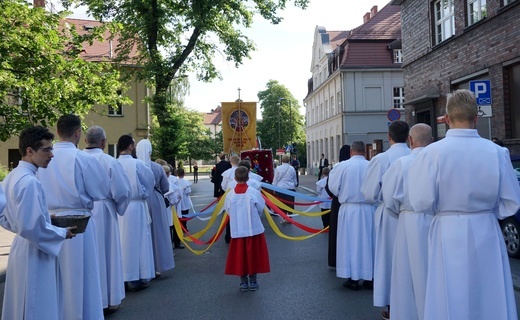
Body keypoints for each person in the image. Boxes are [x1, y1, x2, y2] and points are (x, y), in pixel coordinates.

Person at [408, 89, 520, 320]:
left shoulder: (431, 154)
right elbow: (511, 202)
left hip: (447, 231)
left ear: (446, 119)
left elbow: (420, 201)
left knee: (448, 291)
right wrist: (486, 212)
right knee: (489, 290)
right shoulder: (498, 152)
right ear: (475, 117)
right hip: (486, 229)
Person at [37, 114, 110, 320]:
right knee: (83, 277)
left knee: (56, 278)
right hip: (80, 226)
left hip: (49, 225)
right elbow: (101, 190)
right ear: (78, 132)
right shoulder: (83, 159)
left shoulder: (42, 159)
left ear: (57, 131)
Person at [0, 126, 75, 320]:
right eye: (46, 149)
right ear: (29, 151)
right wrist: (61, 232)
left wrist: (43, 221)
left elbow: (6, 218)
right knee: (37, 303)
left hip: (21, 247)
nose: (51, 154)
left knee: (22, 303)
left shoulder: (11, 177)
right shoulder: (30, 182)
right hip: (35, 252)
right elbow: (31, 227)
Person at [381, 124, 433, 320]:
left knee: (407, 273)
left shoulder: (401, 164)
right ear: (432, 140)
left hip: (408, 222)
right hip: (437, 222)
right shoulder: (437, 160)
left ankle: (407, 313)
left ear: (410, 141)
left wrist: (401, 214)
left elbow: (389, 198)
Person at [361, 120, 410, 319]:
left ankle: (392, 305)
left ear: (389, 137)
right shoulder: (421, 155)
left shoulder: (382, 159)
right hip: (418, 215)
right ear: (408, 137)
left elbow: (369, 193)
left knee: (389, 258)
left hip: (390, 215)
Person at [84, 126, 131, 314]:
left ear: (85, 140)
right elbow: (122, 191)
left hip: (82, 213)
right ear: (103, 142)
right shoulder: (109, 161)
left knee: (87, 257)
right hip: (103, 209)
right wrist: (118, 208)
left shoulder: (77, 158)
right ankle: (108, 298)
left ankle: (87, 301)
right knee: (106, 254)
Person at [328, 141, 374, 291]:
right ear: (364, 152)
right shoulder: (372, 165)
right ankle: (370, 277)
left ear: (351, 152)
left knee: (350, 243)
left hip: (349, 209)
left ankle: (353, 278)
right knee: (369, 243)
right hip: (368, 209)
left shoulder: (342, 166)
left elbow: (333, 187)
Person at [116, 135, 156, 292]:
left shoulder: (113, 163)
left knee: (121, 241)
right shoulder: (137, 164)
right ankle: (137, 276)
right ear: (131, 147)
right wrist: (143, 193)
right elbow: (149, 181)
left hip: (119, 208)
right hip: (136, 206)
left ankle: (122, 277)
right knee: (137, 241)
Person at [224, 166, 270, 292]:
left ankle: (243, 282)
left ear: (234, 178)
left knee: (240, 255)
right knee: (253, 254)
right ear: (248, 178)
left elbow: (227, 210)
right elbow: (260, 208)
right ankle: (253, 280)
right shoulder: (254, 193)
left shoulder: (230, 195)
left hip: (238, 228)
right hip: (253, 228)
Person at [136, 139, 175, 276]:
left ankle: (143, 267)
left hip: (140, 201)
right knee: (158, 232)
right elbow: (166, 187)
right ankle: (159, 264)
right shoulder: (157, 168)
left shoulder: (134, 165)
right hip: (156, 200)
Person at [325, 145, 350, 268]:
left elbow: (329, 187)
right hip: (363, 206)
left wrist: (336, 195)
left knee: (337, 232)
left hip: (339, 203)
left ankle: (336, 259)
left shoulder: (339, 167)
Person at [272, 154, 298, 224]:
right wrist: (295, 184)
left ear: (282, 160)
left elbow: (275, 179)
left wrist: (273, 188)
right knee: (290, 203)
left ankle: (284, 217)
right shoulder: (292, 168)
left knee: (282, 203)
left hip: (280, 188)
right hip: (290, 188)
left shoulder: (278, 168)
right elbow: (294, 179)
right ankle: (289, 217)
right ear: (289, 160)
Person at [161, 165, 182, 246]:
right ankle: (170, 246)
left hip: (159, 207)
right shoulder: (169, 183)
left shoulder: (156, 181)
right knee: (170, 226)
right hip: (168, 207)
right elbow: (174, 198)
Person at [221, 155, 240, 243]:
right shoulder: (240, 171)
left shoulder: (227, 172)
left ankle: (229, 235)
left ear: (230, 162)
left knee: (229, 215)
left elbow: (223, 185)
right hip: (240, 195)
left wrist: (227, 191)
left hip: (230, 195)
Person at [176, 167, 192, 241]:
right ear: (184, 174)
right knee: (185, 213)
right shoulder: (186, 182)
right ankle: (184, 227)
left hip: (179, 200)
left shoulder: (176, 181)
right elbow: (188, 191)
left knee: (180, 213)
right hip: (185, 200)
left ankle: (180, 226)